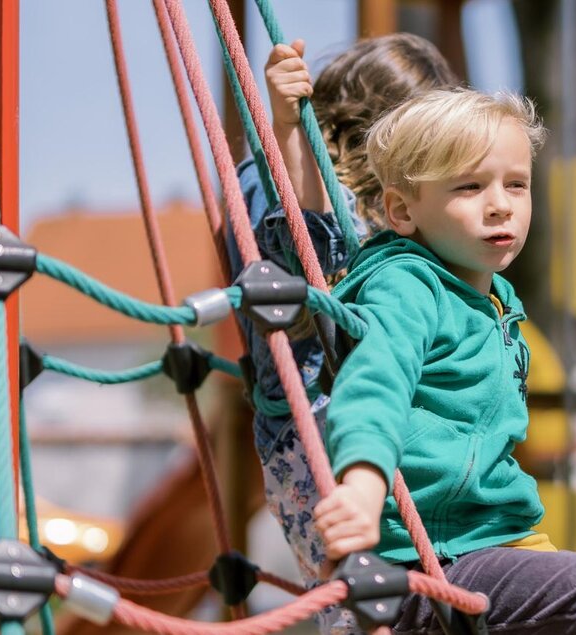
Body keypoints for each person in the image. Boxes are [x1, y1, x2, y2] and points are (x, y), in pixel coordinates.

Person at [315, 88, 576, 634]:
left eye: (516, 184)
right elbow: (375, 381)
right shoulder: (404, 287)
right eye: (469, 186)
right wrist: (363, 486)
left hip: (496, 548)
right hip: (429, 565)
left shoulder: (497, 301)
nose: (500, 204)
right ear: (401, 210)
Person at [223, 33, 458, 631]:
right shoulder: (275, 172)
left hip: (378, 419)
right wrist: (287, 128)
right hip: (316, 419)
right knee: (362, 602)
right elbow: (300, 280)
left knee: (415, 595)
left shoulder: (388, 202)